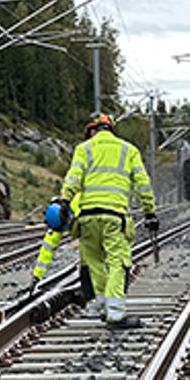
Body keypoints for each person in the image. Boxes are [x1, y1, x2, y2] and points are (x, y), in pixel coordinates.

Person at [34, 112, 157, 327]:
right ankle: (116, 313)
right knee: (118, 262)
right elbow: (143, 184)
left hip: (87, 217)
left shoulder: (84, 149)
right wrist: (150, 212)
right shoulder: (128, 150)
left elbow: (73, 179)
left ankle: (100, 305)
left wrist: (64, 201)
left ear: (92, 130)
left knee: (94, 263)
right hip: (114, 215)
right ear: (111, 128)